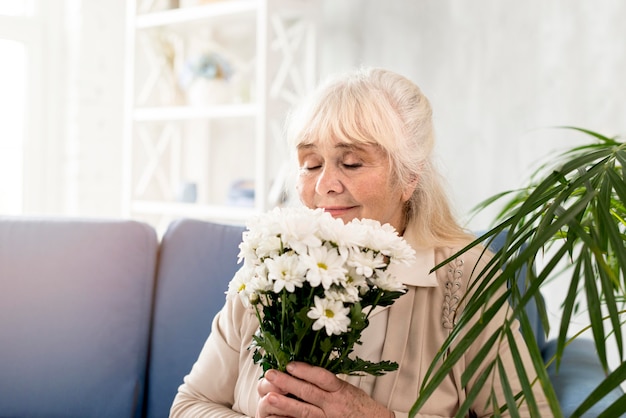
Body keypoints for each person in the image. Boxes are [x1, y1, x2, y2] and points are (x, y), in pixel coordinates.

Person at [170, 67, 550, 417]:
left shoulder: (465, 278)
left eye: (351, 163)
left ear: (409, 178)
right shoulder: (273, 265)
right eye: (311, 164)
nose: (325, 185)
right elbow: (190, 405)